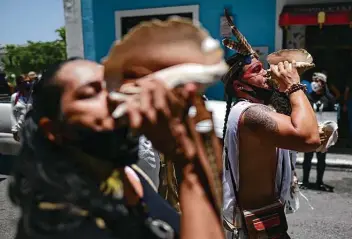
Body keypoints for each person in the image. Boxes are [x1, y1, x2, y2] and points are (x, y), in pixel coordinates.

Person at [9, 58, 201, 239]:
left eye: (113, 87)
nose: (114, 98)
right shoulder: (59, 222)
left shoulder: (129, 174)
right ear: (53, 129)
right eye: (90, 94)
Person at [221, 11, 320, 239]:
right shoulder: (250, 114)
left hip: (267, 221)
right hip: (254, 229)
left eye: (262, 67)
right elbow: (309, 138)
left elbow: (302, 127)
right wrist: (294, 86)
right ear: (240, 87)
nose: (266, 72)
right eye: (256, 71)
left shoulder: (262, 113)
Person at [302, 72, 336, 191]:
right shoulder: (308, 97)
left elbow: (333, 118)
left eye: (318, 81)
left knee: (321, 158)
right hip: (310, 132)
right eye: (314, 80)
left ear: (323, 83)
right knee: (307, 158)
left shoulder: (330, 99)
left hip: (323, 133)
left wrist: (331, 136)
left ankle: (319, 182)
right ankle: (305, 181)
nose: (315, 83)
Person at [10, 74, 33, 141]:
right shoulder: (15, 97)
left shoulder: (34, 96)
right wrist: (14, 130)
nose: (28, 83)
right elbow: (13, 114)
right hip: (21, 131)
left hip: (33, 131)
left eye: (29, 81)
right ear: (19, 85)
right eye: (25, 82)